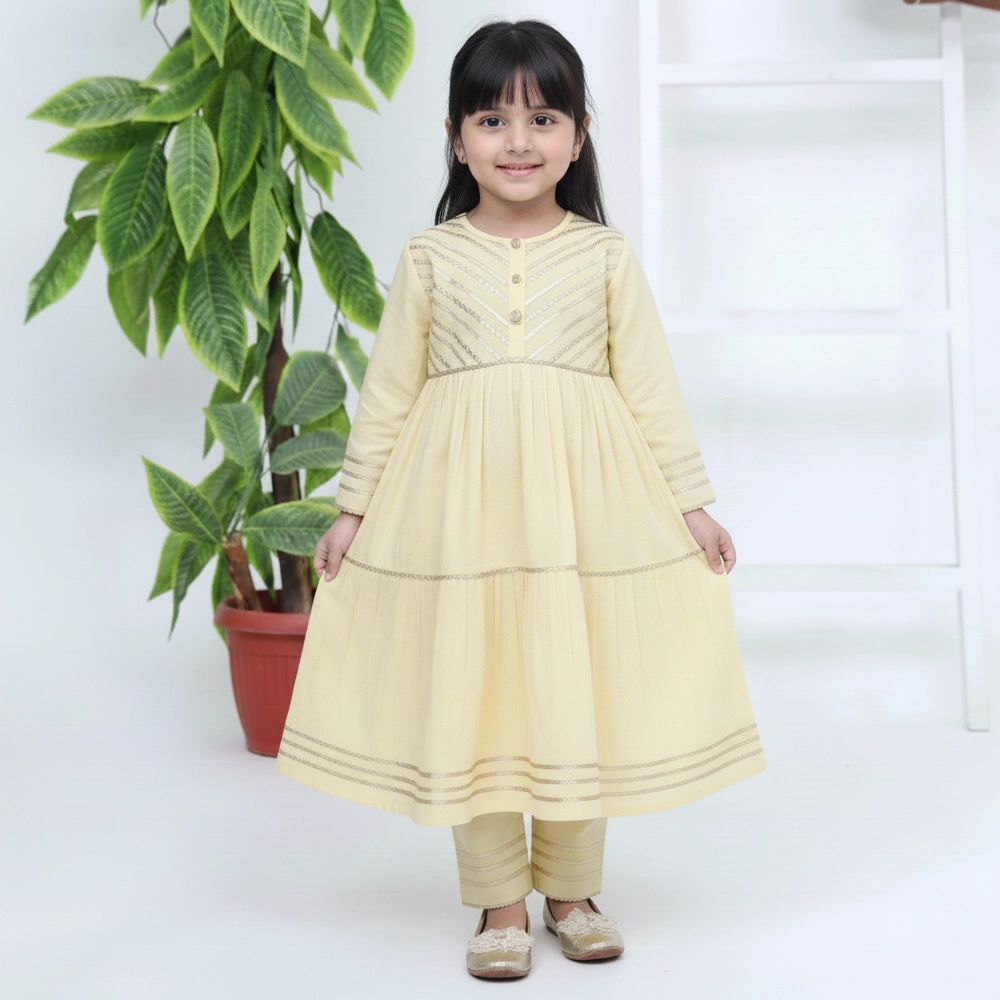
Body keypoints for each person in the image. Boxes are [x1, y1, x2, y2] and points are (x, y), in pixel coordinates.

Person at [275, 18, 766, 980]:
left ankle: (573, 894)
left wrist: (692, 504)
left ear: (579, 136)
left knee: (571, 690)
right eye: (492, 119)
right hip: (458, 521)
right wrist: (352, 508)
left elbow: (650, 389)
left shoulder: (605, 256)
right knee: (480, 693)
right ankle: (500, 902)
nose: (518, 140)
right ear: (456, 138)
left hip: (583, 520)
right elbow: (389, 393)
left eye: (543, 118)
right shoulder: (429, 256)